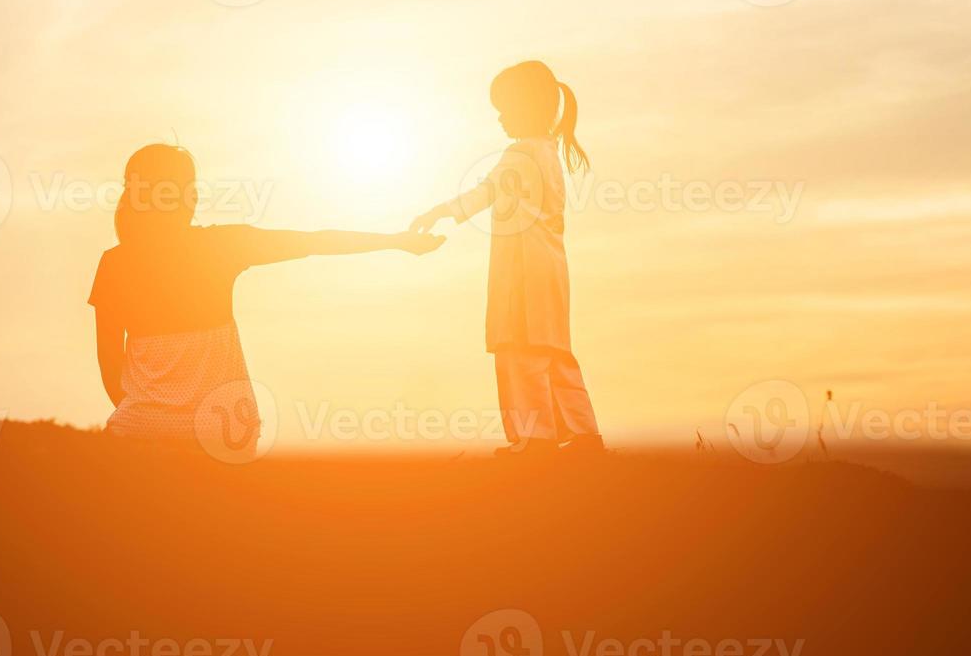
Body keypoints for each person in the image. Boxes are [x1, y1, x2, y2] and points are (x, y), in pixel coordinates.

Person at [90, 143, 444, 459]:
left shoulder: (114, 264)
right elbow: (315, 242)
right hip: (225, 432)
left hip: (142, 429)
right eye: (188, 188)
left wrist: (151, 418)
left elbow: (109, 363)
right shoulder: (221, 246)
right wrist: (396, 241)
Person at [410, 60, 604, 456]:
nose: (500, 119)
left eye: (505, 109)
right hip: (551, 268)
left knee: (520, 349)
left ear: (525, 108)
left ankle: (535, 439)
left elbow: (484, 193)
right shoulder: (548, 152)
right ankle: (584, 435)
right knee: (555, 351)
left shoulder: (519, 155)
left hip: (521, 272)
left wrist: (439, 212)